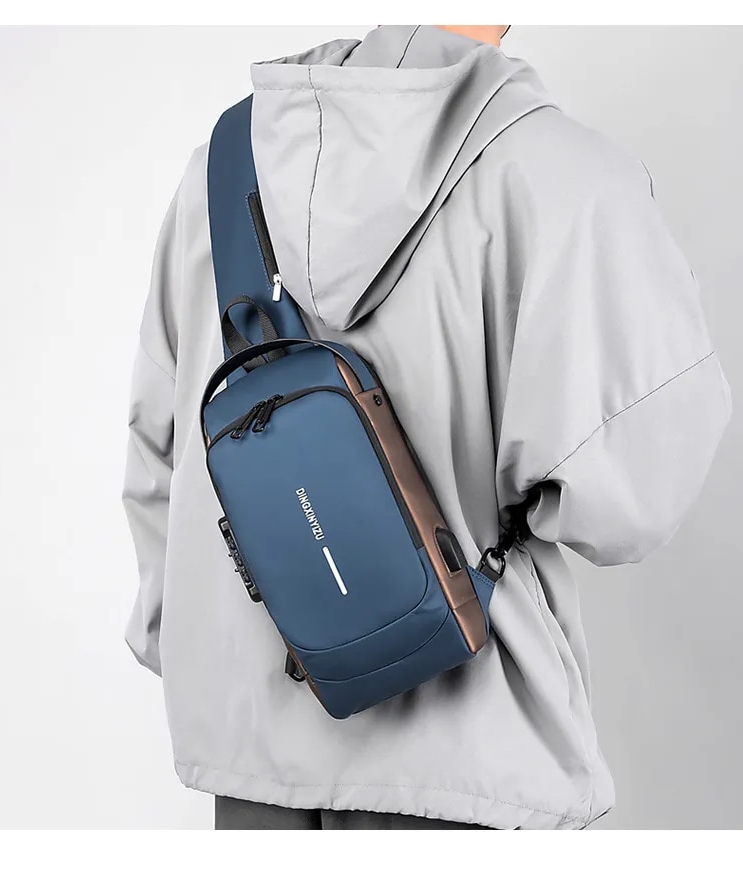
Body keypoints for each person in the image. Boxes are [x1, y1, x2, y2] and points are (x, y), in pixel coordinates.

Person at [123, 25, 731, 830]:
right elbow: (634, 500)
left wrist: (215, 662)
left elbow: (160, 458)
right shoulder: (568, 178)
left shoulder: (220, 170)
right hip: (474, 774)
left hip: (255, 778)